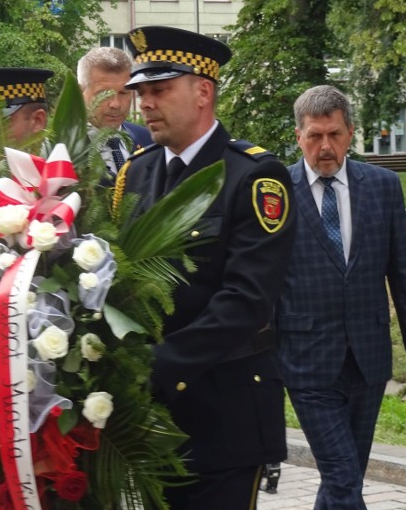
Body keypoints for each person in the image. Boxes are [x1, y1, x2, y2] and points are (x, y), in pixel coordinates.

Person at [114, 25, 296, 509]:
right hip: (150, 415)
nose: (145, 103)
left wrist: (157, 364)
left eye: (159, 90)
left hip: (225, 410)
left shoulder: (255, 176)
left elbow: (247, 299)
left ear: (203, 92)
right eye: (141, 92)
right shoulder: (137, 172)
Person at [276, 85, 406, 510]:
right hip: (306, 361)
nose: (324, 147)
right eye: (314, 136)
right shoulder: (276, 192)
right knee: (344, 479)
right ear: (298, 137)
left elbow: (404, 275)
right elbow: (264, 279)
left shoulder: (382, 186)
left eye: (334, 134)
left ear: (350, 134)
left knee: (343, 479)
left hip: (368, 357)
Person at [76, 47, 152, 178]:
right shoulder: (60, 150)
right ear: (79, 92)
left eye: (124, 93)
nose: (115, 104)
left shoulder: (148, 140)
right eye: (105, 94)